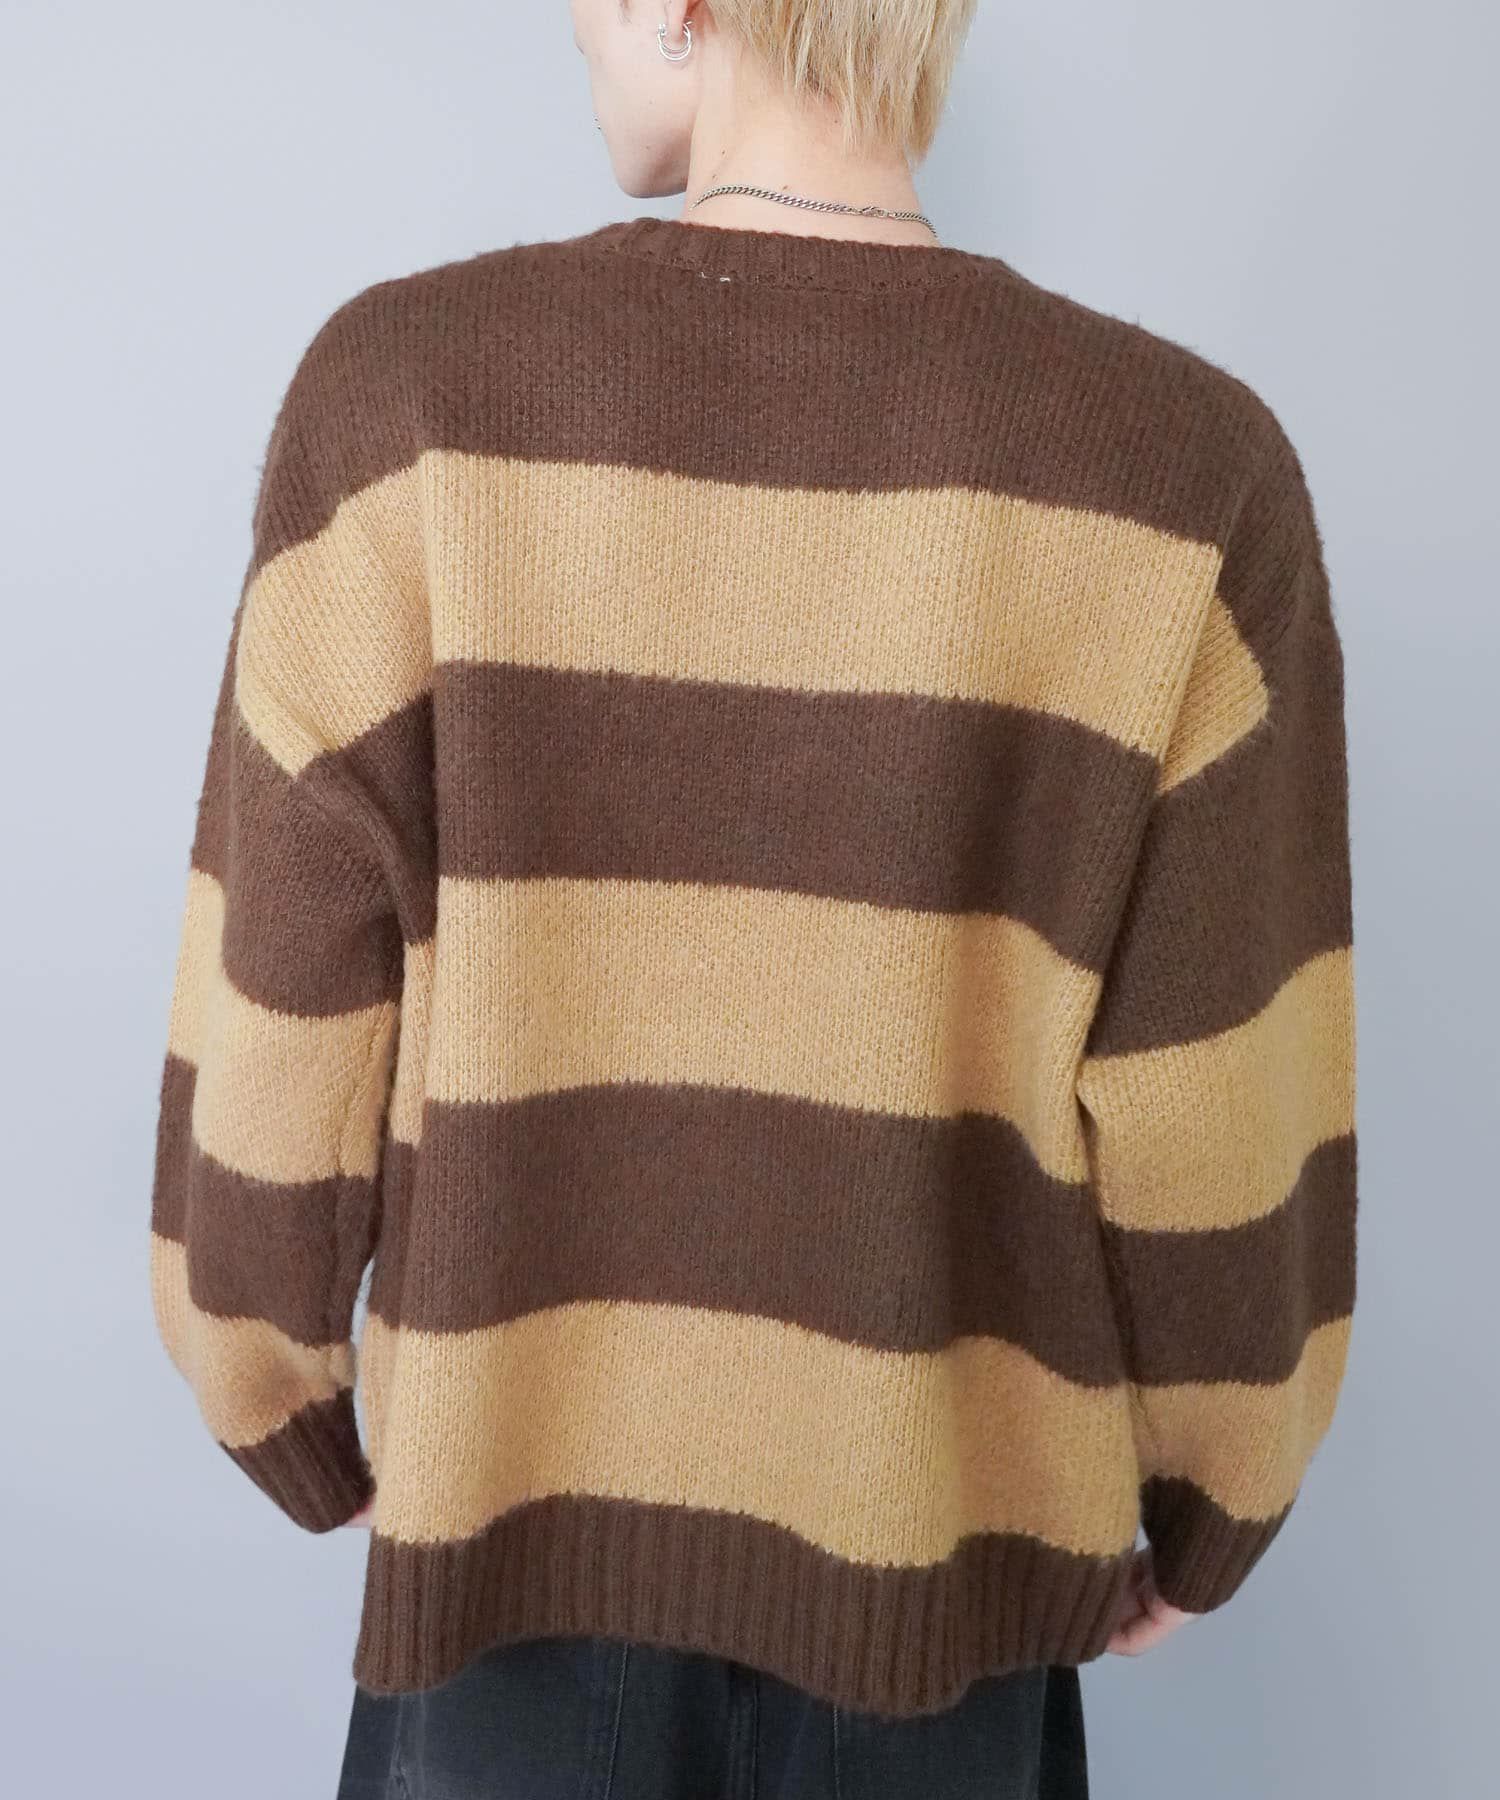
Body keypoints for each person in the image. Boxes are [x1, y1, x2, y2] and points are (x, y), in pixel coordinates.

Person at [146, 1, 1358, 1795]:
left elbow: (282, 1015)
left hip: (513, 1567)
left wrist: (276, 1395)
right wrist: (1211, 1500)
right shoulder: (1187, 480)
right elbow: (1221, 1097)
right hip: (938, 1594)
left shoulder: (402, 407)